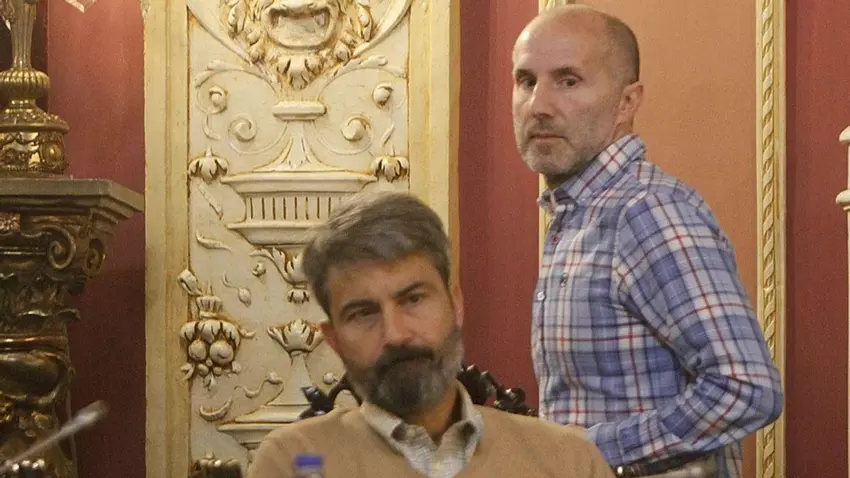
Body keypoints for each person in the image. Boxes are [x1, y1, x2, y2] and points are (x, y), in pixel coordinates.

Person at [511, 5, 783, 478]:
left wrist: (590, 450)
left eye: (568, 81)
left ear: (627, 102)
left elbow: (746, 388)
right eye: (526, 81)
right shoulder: (581, 215)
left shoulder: (645, 212)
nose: (539, 105)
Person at [247, 191, 615, 478]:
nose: (395, 335)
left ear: (455, 304)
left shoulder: (567, 460)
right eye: (363, 314)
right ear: (334, 339)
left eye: (413, 299)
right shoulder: (293, 461)